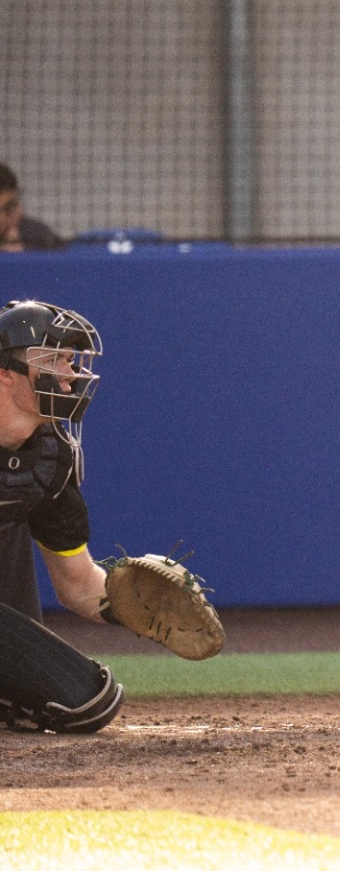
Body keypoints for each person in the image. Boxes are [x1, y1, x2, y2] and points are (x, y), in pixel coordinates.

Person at [0, 300, 123, 732]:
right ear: (6, 372)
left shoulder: (50, 458)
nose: (69, 375)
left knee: (89, 700)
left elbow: (78, 583)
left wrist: (134, 607)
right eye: (54, 360)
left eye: (71, 361)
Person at [0, 164, 65, 251]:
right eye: (8, 208)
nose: (19, 212)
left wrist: (21, 259)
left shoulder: (40, 236)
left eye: (15, 204)